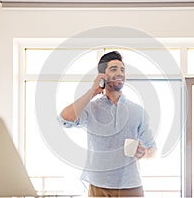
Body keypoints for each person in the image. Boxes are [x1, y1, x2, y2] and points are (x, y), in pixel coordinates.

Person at [59, 51, 157, 197]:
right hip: (99, 186)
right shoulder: (91, 108)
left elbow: (152, 150)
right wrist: (92, 91)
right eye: (113, 69)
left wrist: (144, 153)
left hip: (131, 186)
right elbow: (65, 119)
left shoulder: (137, 111)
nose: (120, 73)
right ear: (102, 76)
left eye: (122, 70)